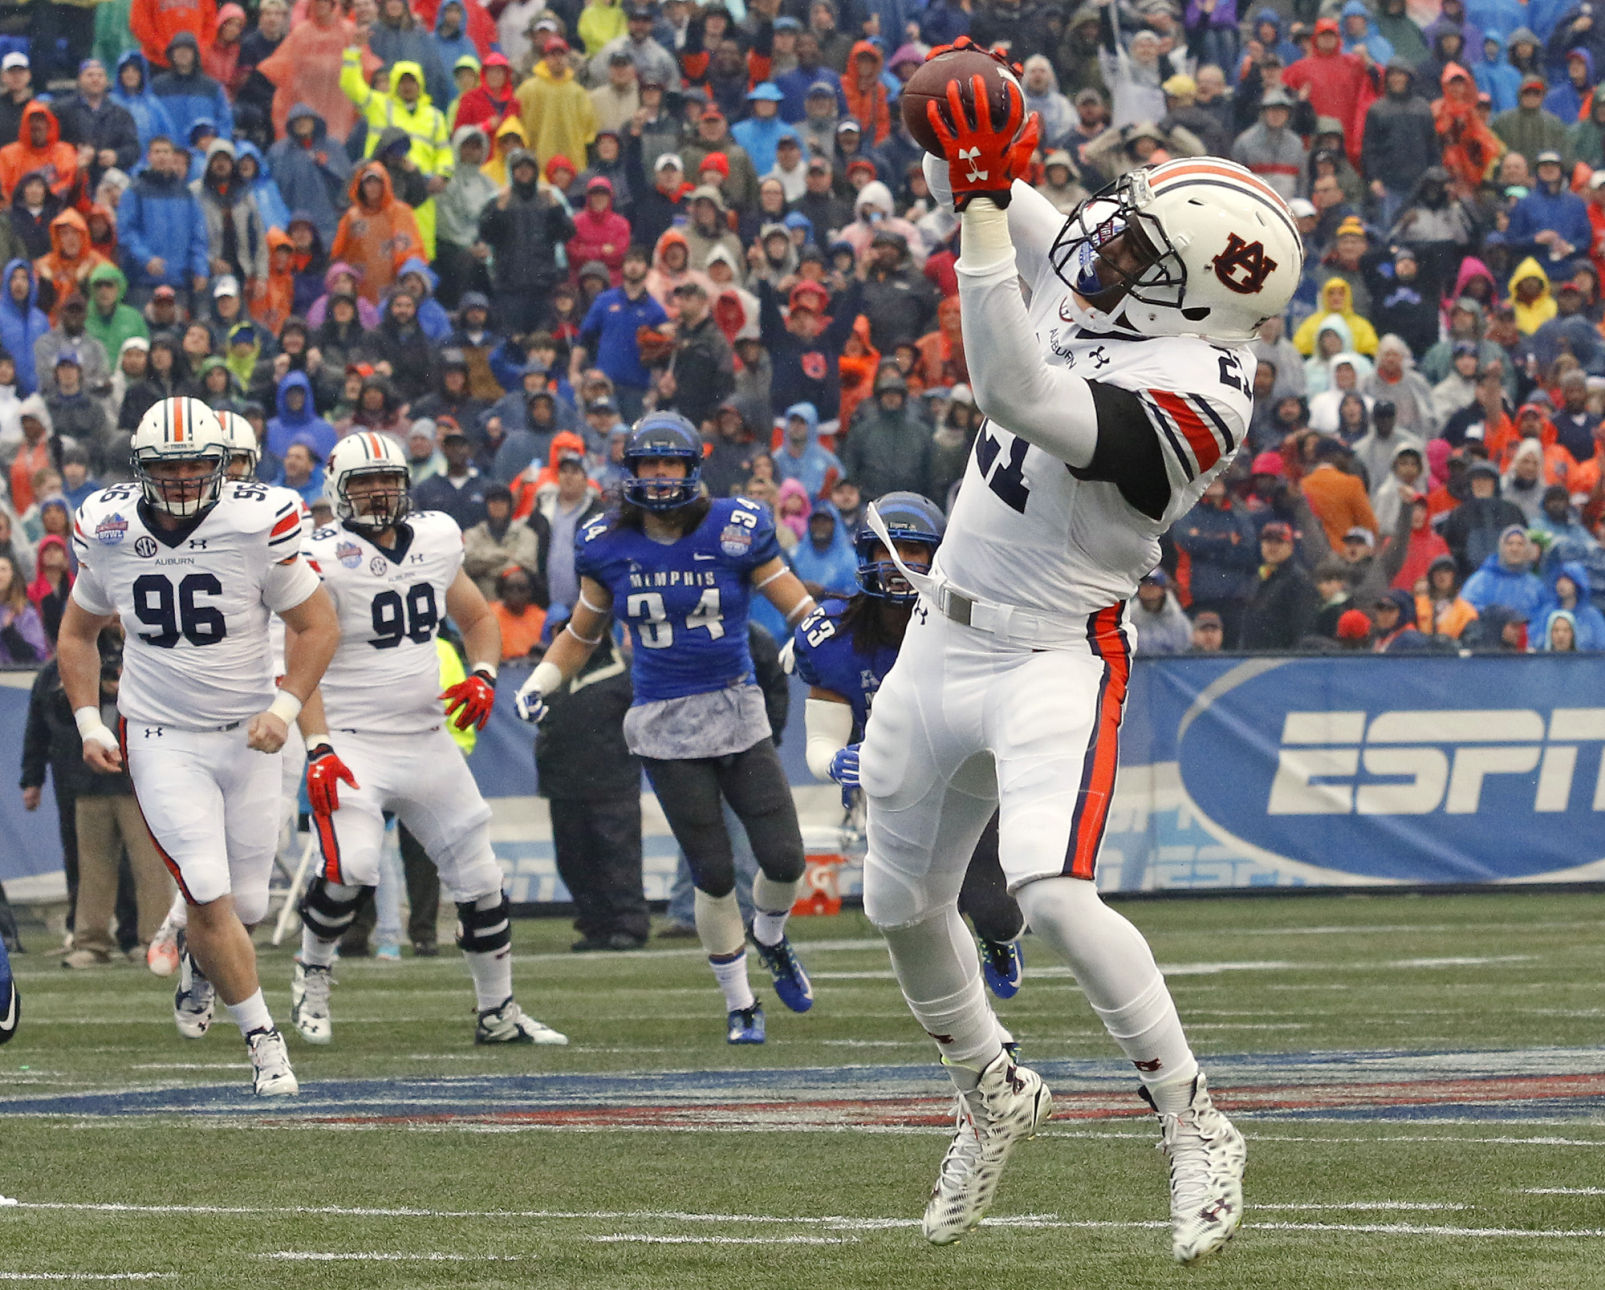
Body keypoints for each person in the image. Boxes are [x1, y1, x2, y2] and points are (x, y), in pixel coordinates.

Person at [858, 65, 1301, 1259]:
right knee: (896, 905)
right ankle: (993, 1089)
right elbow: (1018, 197)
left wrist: (980, 204)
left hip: (1056, 651)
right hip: (938, 632)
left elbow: (1007, 378)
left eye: (1146, 250)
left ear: (1201, 299)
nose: (1112, 249)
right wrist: (982, 138)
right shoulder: (1150, 291)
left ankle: (1193, 1116)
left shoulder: (1197, 395)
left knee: (1050, 891)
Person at [56, 396, 341, 1095]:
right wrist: (92, 722)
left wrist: (284, 706)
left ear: (222, 466)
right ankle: (264, 1042)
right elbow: (76, 634)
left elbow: (318, 626)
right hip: (160, 736)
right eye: (168, 468)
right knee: (208, 893)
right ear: (141, 470)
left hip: (249, 737)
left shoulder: (255, 521)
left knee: (245, 908)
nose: (183, 480)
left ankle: (195, 955)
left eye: (196, 466)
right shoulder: (109, 527)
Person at [514, 413, 820, 1045]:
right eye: (647, 464)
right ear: (630, 472)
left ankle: (769, 934)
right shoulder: (606, 542)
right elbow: (581, 632)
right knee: (710, 872)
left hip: (735, 707)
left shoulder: (735, 527)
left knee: (785, 860)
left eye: (669, 464)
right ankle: (739, 1004)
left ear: (691, 470)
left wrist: (812, 637)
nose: (658, 477)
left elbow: (795, 600)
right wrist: (542, 682)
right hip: (663, 721)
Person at [283, 433, 564, 1047]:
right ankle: (312, 971)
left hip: (425, 737)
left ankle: (498, 1012)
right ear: (337, 490)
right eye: (364, 483)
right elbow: (295, 658)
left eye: (388, 479)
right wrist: (318, 744)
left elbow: (479, 617)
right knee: (351, 867)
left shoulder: (436, 538)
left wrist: (485, 674)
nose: (380, 492)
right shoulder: (317, 554)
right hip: (352, 739)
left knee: (481, 878)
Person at [797, 493, 1027, 1000]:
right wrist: (835, 761)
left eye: (911, 549)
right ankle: (970, 1025)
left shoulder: (971, 621)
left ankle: (1000, 939)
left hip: (970, 775)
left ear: (937, 556)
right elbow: (821, 737)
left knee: (992, 909)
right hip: (898, 785)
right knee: (918, 911)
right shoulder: (837, 633)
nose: (898, 563)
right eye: (885, 549)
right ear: (864, 557)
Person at [534, 604, 649, 951]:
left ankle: (628, 923)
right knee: (573, 859)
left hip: (612, 784)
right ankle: (594, 923)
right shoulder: (552, 675)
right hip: (562, 784)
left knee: (617, 856)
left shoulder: (625, 671)